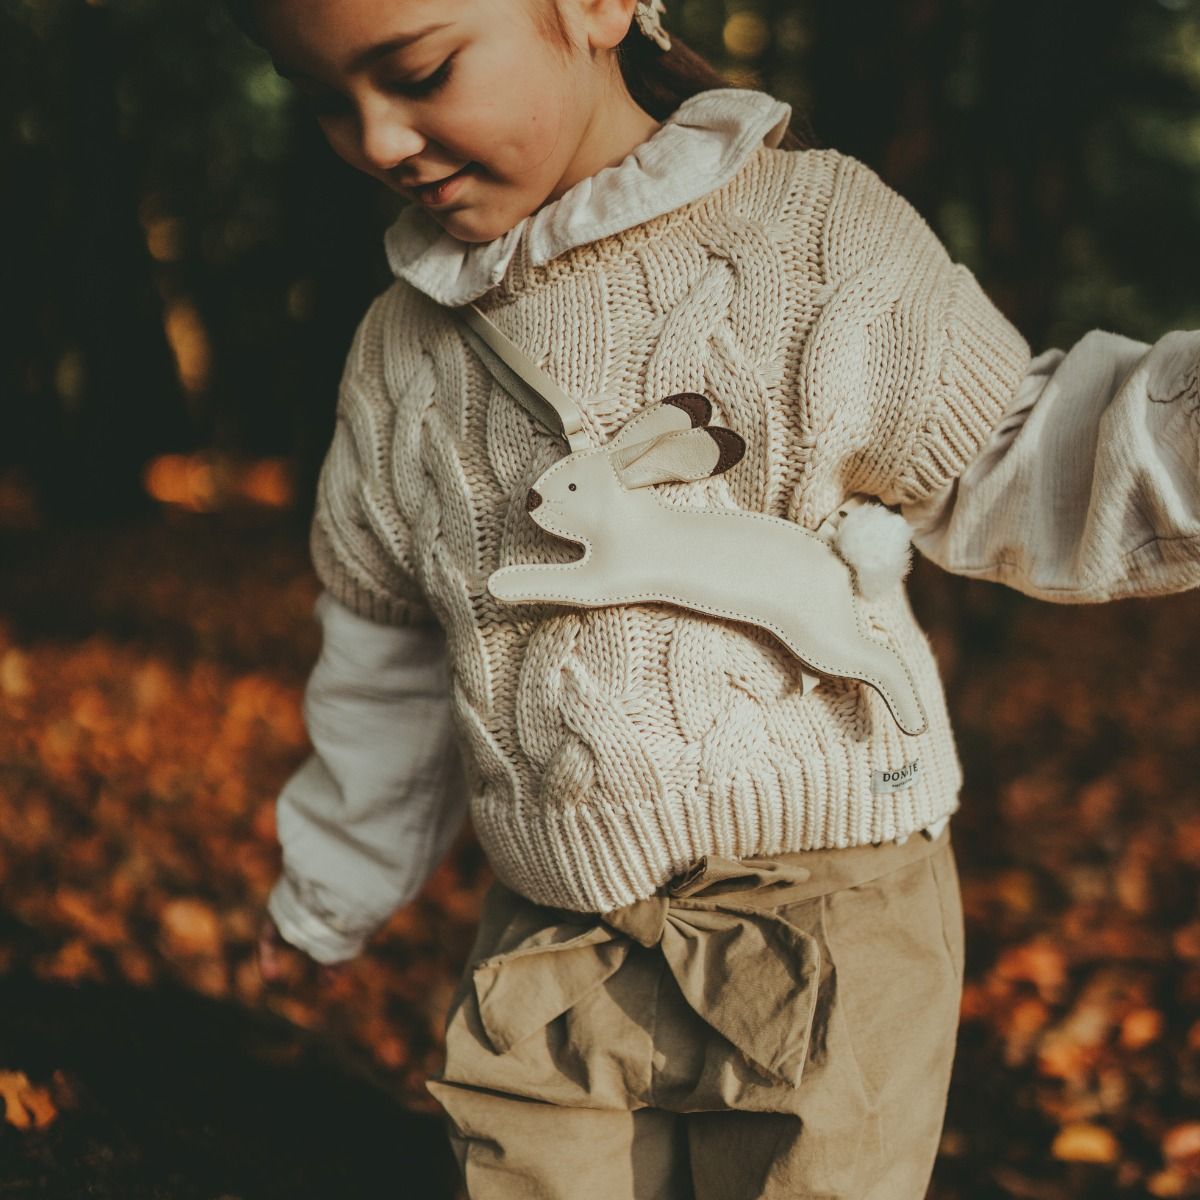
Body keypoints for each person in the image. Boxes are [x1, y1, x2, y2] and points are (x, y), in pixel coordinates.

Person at [227, 0, 1200, 1195]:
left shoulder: (814, 234)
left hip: (828, 928)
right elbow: (386, 655)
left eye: (419, 71)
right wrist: (325, 894)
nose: (375, 140)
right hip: (555, 938)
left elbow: (1016, 451)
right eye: (327, 97)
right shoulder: (399, 355)